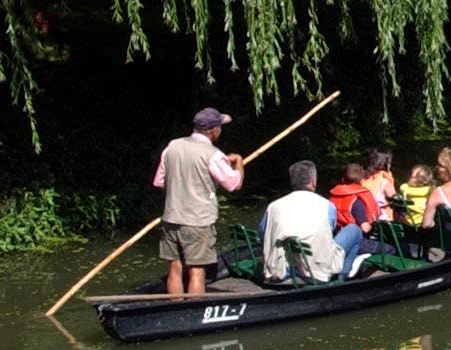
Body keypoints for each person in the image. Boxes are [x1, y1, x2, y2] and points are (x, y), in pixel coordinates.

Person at [153, 106, 243, 296]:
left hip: (171, 218)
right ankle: (194, 310)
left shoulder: (172, 146)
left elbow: (160, 182)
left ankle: (175, 308)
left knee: (175, 269)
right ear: (213, 131)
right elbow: (234, 184)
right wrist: (239, 163)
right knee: (197, 271)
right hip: (198, 222)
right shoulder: (213, 154)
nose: (220, 130)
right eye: (220, 127)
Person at [261, 160, 362, 282]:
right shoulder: (327, 205)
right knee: (354, 230)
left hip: (280, 268)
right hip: (315, 269)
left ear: (292, 181)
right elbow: (328, 232)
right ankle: (342, 277)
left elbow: (262, 234)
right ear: (313, 181)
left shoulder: (273, 206)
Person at [361, 149, 396, 222]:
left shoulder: (363, 179)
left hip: (363, 217)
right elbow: (395, 201)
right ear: (387, 164)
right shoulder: (385, 181)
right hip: (381, 221)